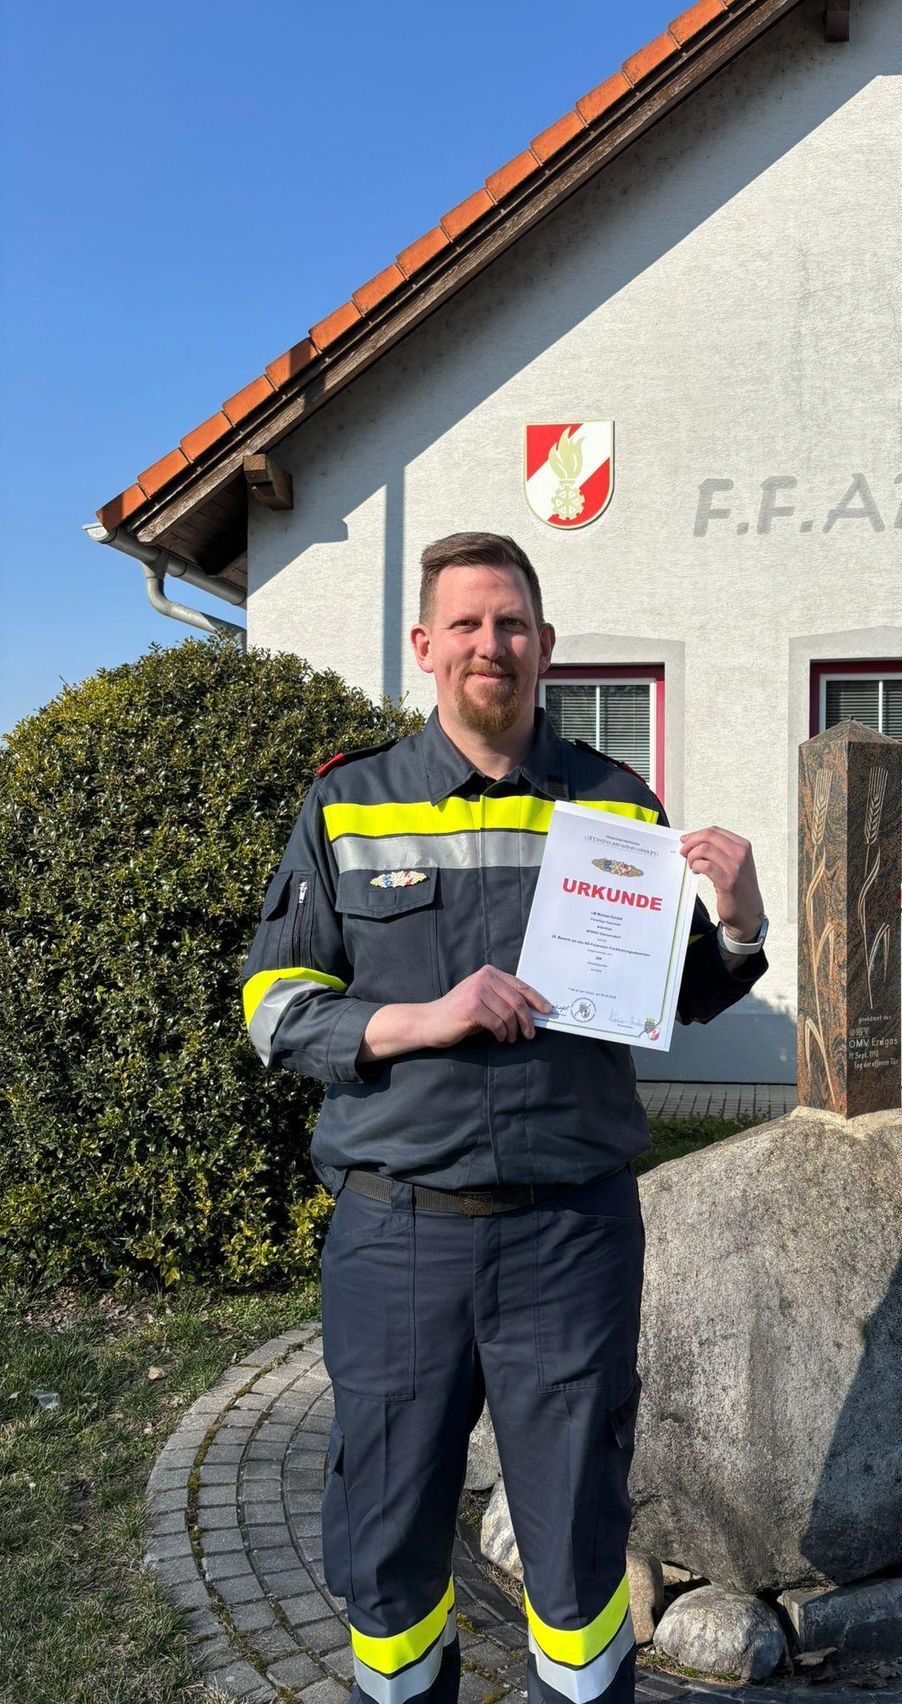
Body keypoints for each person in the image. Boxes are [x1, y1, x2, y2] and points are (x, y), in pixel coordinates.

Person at [240, 532, 768, 1704]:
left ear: (545, 646)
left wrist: (737, 921)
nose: (493, 644)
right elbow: (274, 1005)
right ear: (426, 646)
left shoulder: (613, 803)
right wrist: (421, 1020)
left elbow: (673, 993)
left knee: (578, 1539)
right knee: (387, 1538)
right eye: (469, 624)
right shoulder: (347, 805)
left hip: (568, 1235)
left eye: (513, 623)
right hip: (398, 1233)